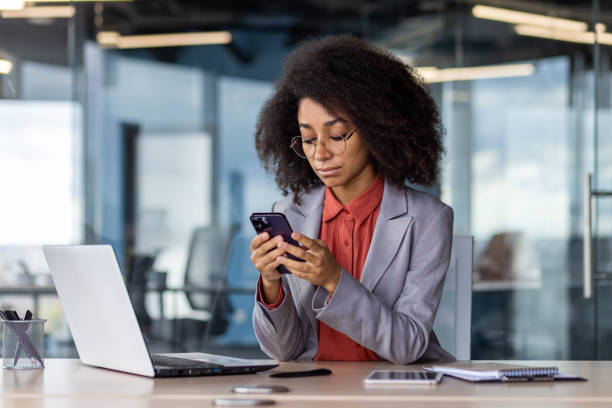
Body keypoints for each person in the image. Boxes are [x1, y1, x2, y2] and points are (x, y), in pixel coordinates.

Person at [250, 34, 454, 364]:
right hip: (315, 389)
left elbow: (407, 346)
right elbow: (282, 351)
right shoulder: (289, 214)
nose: (320, 153)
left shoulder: (428, 218)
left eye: (336, 136)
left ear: (376, 130)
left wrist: (334, 280)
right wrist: (271, 283)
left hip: (397, 389)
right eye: (308, 139)